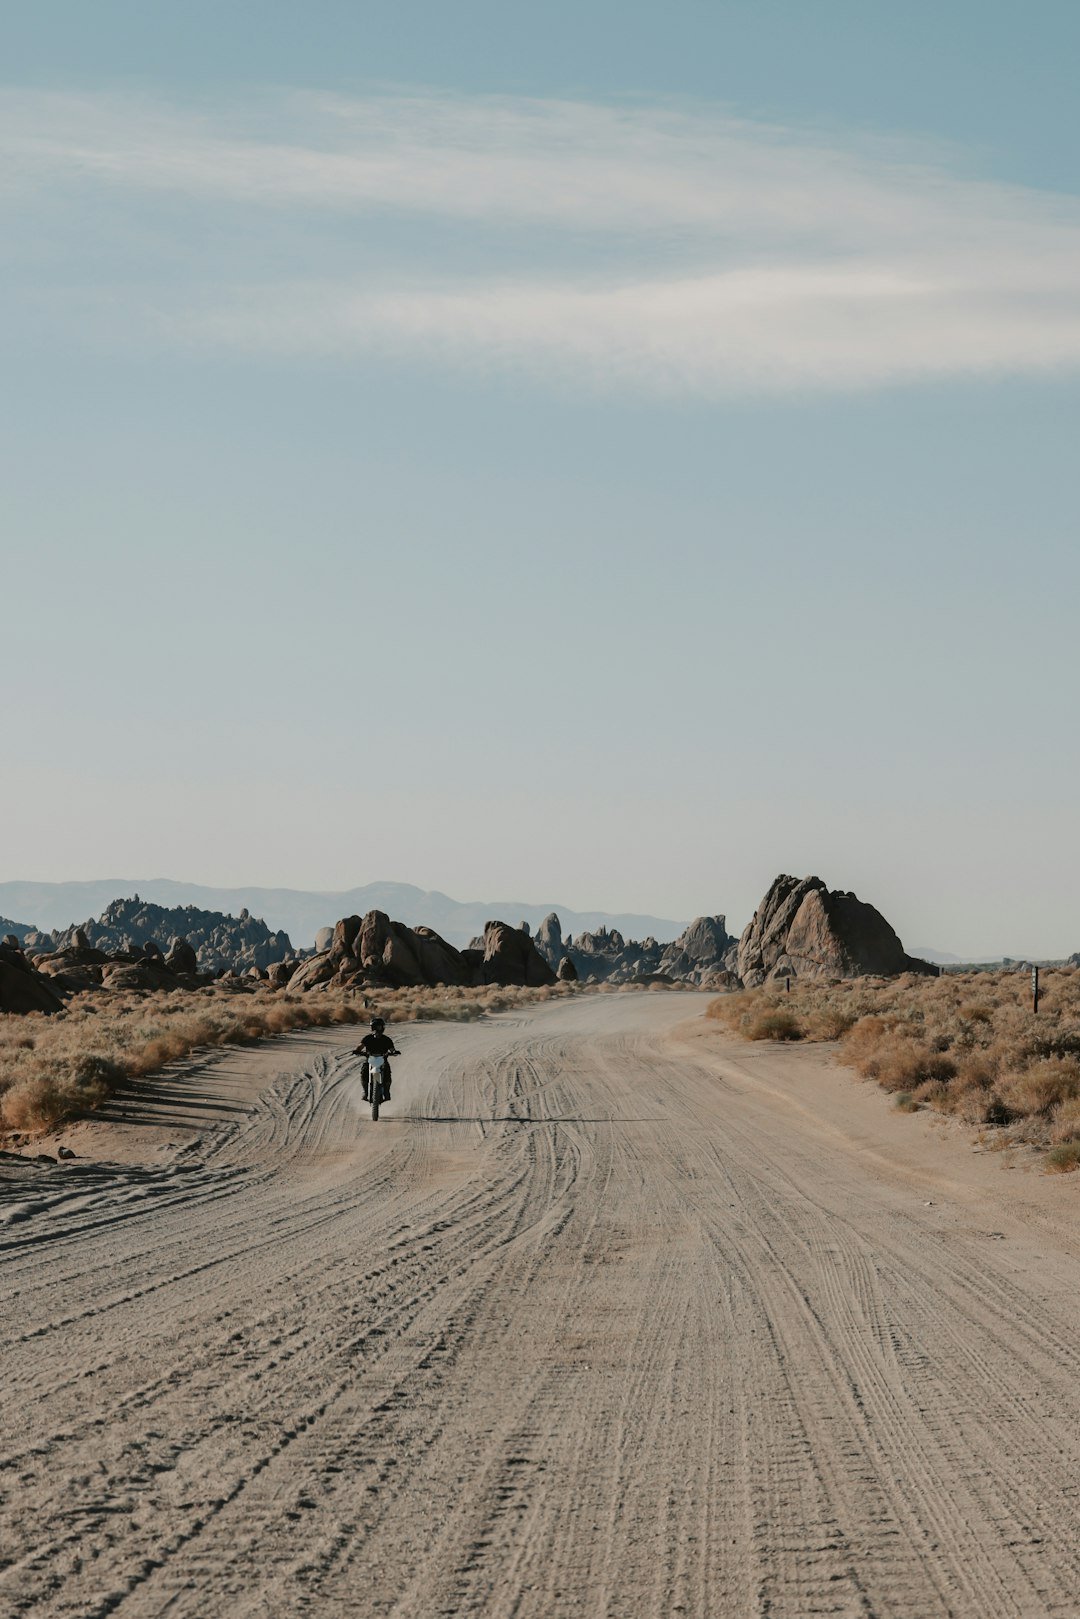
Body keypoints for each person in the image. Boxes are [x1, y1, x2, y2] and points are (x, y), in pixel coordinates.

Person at [353, 1016, 400, 1102]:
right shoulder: (367, 1038)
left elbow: (392, 1049)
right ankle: (365, 1092)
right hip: (370, 1060)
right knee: (364, 1072)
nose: (378, 1029)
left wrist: (394, 1052)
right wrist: (357, 1051)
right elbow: (360, 1046)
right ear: (372, 1027)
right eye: (376, 1026)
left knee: (387, 1075)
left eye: (380, 1026)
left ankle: (386, 1092)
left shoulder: (386, 1039)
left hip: (382, 1060)